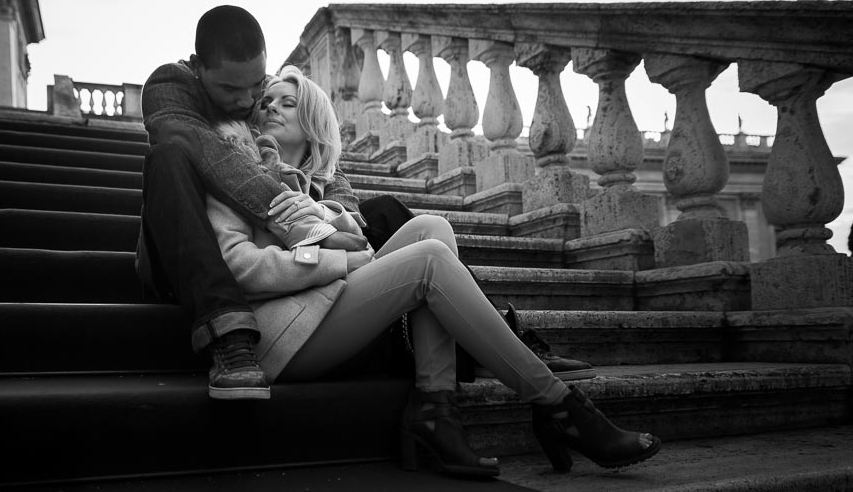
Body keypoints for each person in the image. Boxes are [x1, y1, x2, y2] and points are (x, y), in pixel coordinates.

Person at [206, 65, 661, 478]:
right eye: (266, 101)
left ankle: (435, 404)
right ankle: (561, 406)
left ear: (312, 122)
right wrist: (336, 258)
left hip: (326, 306)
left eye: (288, 102)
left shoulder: (320, 189)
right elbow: (239, 266)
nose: (270, 107)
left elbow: (354, 237)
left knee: (432, 227)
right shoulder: (236, 168)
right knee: (429, 263)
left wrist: (335, 227)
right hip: (282, 334)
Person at [135, 5, 368, 401]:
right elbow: (219, 159)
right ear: (198, 68)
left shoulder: (265, 97)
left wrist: (331, 213)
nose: (246, 101)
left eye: (255, 85)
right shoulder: (169, 85)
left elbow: (323, 162)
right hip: (179, 253)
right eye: (229, 89)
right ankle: (227, 336)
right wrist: (308, 231)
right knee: (168, 157)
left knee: (387, 215)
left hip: (270, 249)